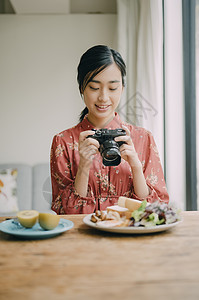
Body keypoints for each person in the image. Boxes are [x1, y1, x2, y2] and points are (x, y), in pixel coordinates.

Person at [50, 45, 169, 214]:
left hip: (132, 236)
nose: (103, 97)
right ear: (81, 88)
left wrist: (135, 167)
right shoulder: (63, 142)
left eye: (112, 88)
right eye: (94, 87)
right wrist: (83, 167)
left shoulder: (143, 138)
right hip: (84, 238)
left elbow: (157, 210)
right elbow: (64, 212)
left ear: (122, 88)